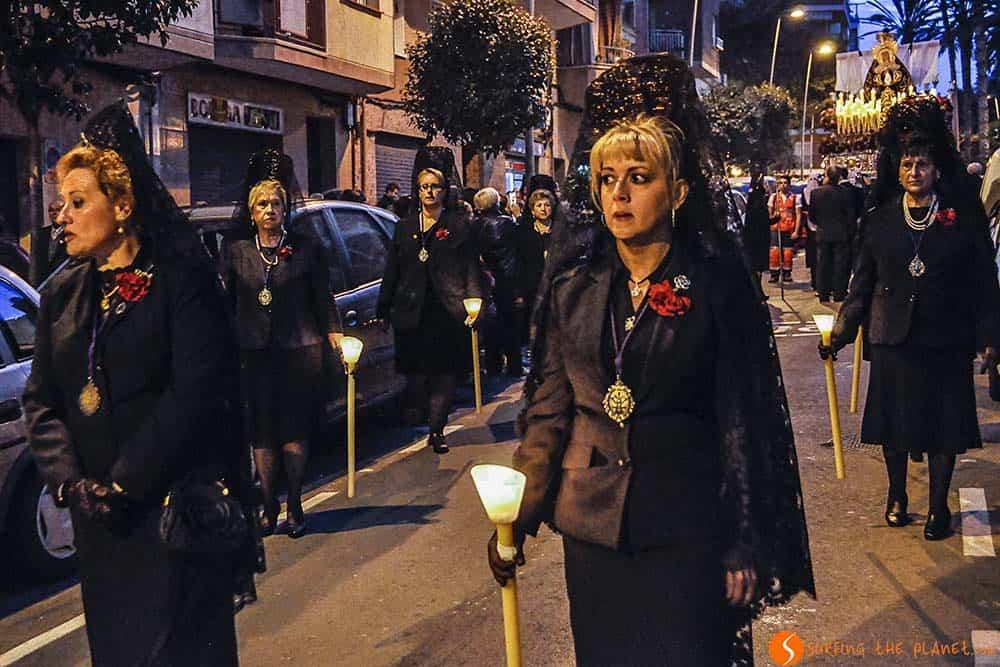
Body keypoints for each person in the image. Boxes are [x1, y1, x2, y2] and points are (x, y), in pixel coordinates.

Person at [489, 54, 814, 666]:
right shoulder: (572, 287)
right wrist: (518, 516)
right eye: (606, 177)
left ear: (679, 190)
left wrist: (743, 537)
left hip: (687, 525)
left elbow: (739, 417)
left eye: (638, 177)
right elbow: (549, 415)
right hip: (591, 530)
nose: (619, 192)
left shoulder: (715, 286)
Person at [24, 101, 241, 665]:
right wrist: (72, 484)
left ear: (121, 205)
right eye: (61, 204)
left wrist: (126, 481)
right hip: (102, 529)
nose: (61, 217)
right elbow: (42, 399)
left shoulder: (180, 282)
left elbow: (193, 391)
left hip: (172, 515)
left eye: (78, 202)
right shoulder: (60, 295)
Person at [821, 95, 1000, 540]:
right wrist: (840, 332)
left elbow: (982, 283)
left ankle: (939, 506)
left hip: (946, 337)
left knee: (943, 428)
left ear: (937, 169)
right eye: (906, 166)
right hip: (891, 338)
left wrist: (990, 337)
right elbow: (861, 284)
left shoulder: (961, 220)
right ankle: (897, 494)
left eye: (921, 164)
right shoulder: (879, 220)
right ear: (896, 170)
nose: (913, 172)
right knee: (895, 427)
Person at [221, 149, 342, 538]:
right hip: (254, 356)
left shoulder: (306, 247)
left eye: (275, 203)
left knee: (294, 433)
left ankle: (294, 503)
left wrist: (335, 336)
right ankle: (268, 503)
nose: (269, 210)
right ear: (252, 212)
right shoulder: (236, 251)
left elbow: (323, 298)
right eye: (262, 204)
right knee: (262, 434)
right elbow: (224, 303)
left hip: (299, 354)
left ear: (285, 207)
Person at [377, 152, 485, 453]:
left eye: (434, 186)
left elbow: (470, 267)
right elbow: (393, 269)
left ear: (444, 190)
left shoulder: (459, 225)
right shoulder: (404, 226)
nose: (429, 192)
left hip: (447, 309)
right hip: (412, 310)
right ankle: (421, 412)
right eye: (423, 186)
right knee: (418, 373)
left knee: (445, 372)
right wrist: (384, 307)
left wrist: (475, 303)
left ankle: (437, 430)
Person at [473, 187, 522, 376]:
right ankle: (514, 366)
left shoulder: (474, 225)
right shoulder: (507, 223)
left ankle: (493, 366)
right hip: (507, 280)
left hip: (486, 280)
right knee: (510, 326)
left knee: (492, 326)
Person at [810, 165, 856, 302]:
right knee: (840, 266)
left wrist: (822, 224)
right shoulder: (846, 193)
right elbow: (851, 215)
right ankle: (839, 294)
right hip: (842, 234)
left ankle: (823, 294)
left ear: (827, 176)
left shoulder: (816, 193)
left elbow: (812, 215)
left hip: (823, 233)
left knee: (823, 265)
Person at [515, 188, 555, 345]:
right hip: (533, 289)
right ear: (532, 210)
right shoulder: (524, 234)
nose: (543, 209)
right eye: (539, 205)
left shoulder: (561, 233)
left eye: (547, 205)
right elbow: (519, 263)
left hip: (557, 289)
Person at [767, 175, 801, 283]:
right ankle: (774, 274)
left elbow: (798, 214)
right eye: (780, 183)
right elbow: (769, 213)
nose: (783, 185)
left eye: (785, 182)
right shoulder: (773, 197)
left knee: (788, 252)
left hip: (789, 228)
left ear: (789, 184)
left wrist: (796, 231)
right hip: (775, 228)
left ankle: (787, 273)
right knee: (774, 251)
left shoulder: (795, 197)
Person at [743, 167, 771, 280]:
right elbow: (761, 220)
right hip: (758, 238)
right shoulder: (757, 201)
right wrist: (774, 220)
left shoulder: (754, 199)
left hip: (753, 236)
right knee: (757, 265)